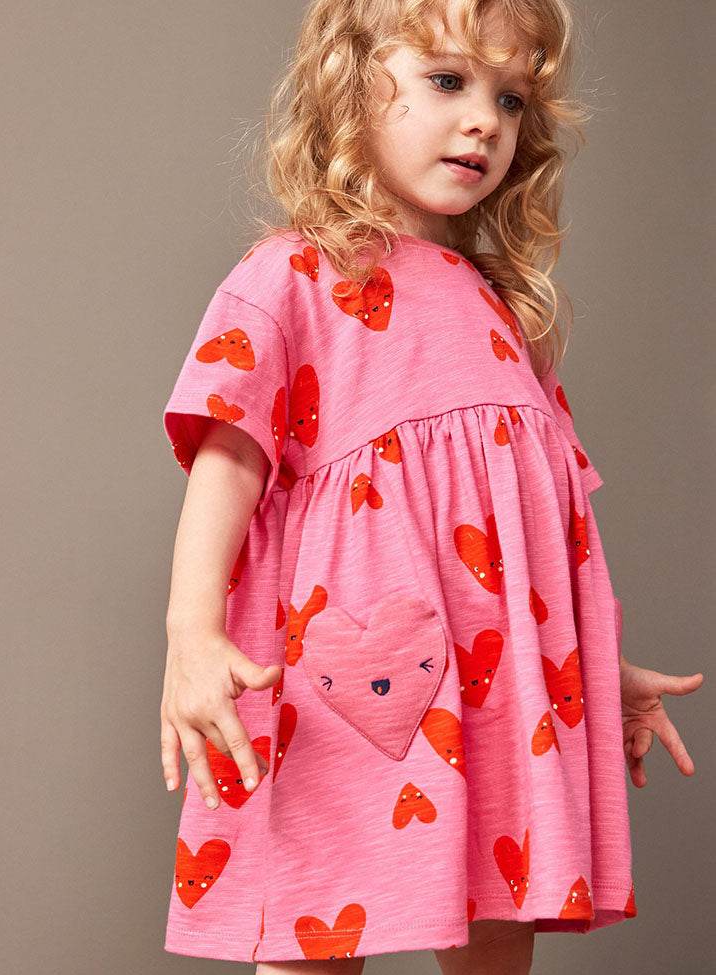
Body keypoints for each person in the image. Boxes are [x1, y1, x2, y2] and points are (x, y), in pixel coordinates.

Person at [158, 1, 703, 972]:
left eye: (511, 98)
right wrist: (191, 633)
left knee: (499, 913)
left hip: (498, 689)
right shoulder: (292, 276)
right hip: (345, 670)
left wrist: (599, 664)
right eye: (449, 81)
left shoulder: (506, 316)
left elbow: (536, 521)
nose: (485, 120)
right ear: (349, 85)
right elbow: (228, 456)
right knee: (319, 911)